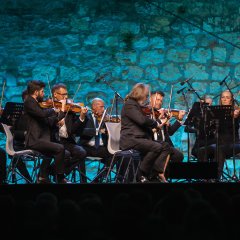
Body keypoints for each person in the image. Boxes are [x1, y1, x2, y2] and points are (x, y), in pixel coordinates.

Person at [120, 83, 170, 183]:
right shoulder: (130, 104)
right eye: (146, 95)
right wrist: (155, 123)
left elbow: (143, 124)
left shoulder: (136, 105)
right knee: (156, 147)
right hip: (131, 139)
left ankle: (155, 174)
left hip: (139, 138)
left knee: (165, 146)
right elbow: (142, 121)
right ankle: (141, 173)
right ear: (140, 94)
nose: (147, 97)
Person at [23, 80, 69, 184]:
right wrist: (54, 110)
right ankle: (60, 178)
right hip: (34, 140)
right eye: (42, 91)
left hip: (41, 139)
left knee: (64, 153)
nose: (44, 94)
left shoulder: (35, 103)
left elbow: (49, 121)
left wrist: (61, 111)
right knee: (60, 148)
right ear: (36, 92)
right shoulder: (29, 101)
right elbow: (42, 114)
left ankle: (45, 175)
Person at [192, 90, 240, 180]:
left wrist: (236, 116)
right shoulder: (216, 112)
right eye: (223, 97)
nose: (225, 99)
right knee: (203, 150)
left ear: (231, 100)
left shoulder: (235, 112)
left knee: (219, 149)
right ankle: (204, 178)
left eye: (227, 97)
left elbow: (235, 122)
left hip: (233, 142)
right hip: (220, 142)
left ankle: (216, 178)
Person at [51, 83, 88, 181]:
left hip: (67, 141)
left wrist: (81, 117)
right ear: (55, 94)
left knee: (82, 152)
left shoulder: (70, 108)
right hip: (54, 141)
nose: (66, 97)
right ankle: (59, 176)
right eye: (63, 95)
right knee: (65, 153)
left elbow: (72, 130)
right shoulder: (50, 108)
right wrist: (60, 113)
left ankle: (55, 172)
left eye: (66, 94)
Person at [78, 98, 112, 182]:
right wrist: (97, 130)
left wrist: (109, 127)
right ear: (94, 106)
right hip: (86, 147)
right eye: (101, 107)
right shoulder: (86, 117)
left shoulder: (105, 118)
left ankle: (97, 179)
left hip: (101, 147)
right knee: (79, 153)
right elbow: (81, 131)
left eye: (104, 107)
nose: (103, 109)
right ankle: (83, 181)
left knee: (115, 155)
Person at [150, 90, 185, 163]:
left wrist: (179, 119)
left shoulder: (163, 114)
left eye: (161, 101)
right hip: (153, 143)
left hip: (165, 143)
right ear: (151, 99)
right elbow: (149, 129)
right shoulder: (147, 114)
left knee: (179, 156)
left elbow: (170, 132)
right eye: (157, 99)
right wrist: (161, 119)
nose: (159, 102)